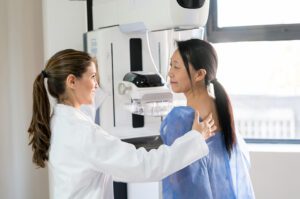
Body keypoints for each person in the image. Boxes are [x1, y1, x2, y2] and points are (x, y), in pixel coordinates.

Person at [27, 49, 216, 199]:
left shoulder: (59, 120)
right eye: (93, 77)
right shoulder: (82, 133)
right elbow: (145, 167)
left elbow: (86, 111)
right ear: (72, 81)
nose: (95, 84)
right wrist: (196, 139)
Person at [160, 39, 255, 199]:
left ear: (199, 74)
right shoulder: (222, 111)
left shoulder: (180, 119)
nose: (170, 72)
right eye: (171, 65)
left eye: (176, 66)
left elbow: (178, 183)